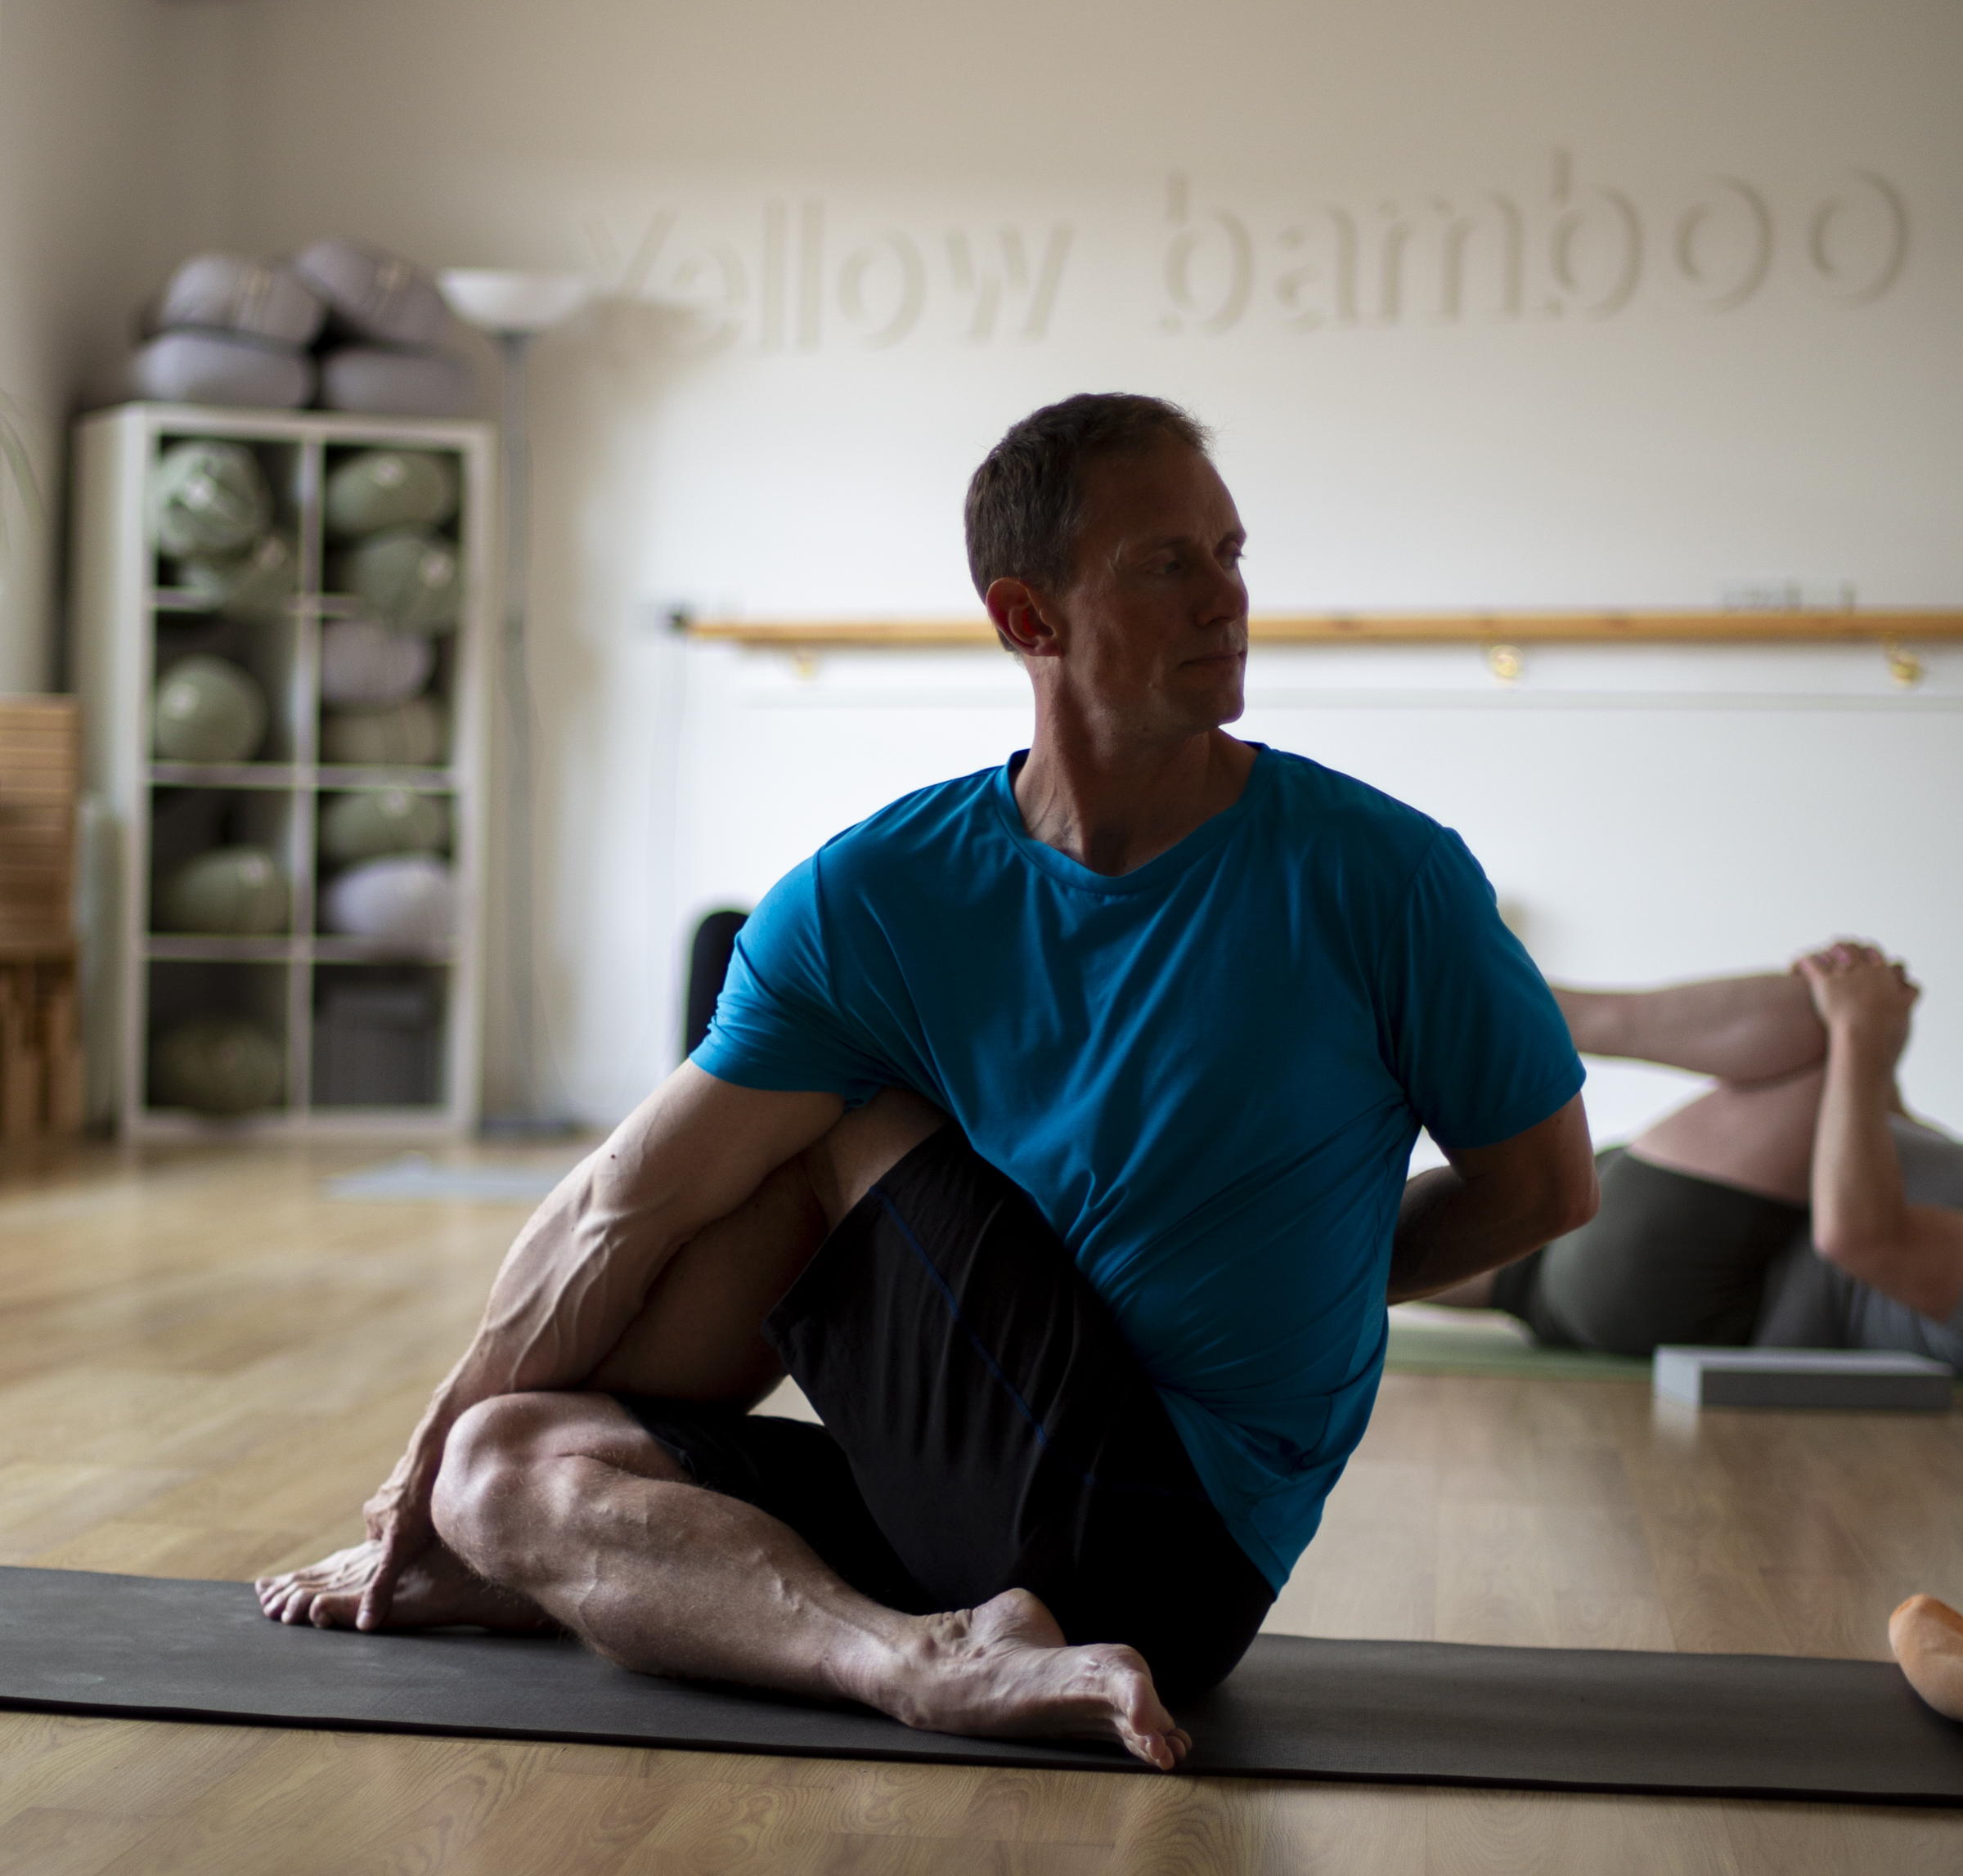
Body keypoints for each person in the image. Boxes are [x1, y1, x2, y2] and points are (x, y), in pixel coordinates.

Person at [258, 393, 1596, 1769]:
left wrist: (1285, 1279)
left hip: (1174, 1552)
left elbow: (1543, 1187)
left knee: (833, 1125)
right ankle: (904, 1655)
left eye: (1231, 553)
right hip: (965, 1497)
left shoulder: (1383, 878)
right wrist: (420, 1490)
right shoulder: (879, 892)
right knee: (509, 1466)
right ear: (1030, 620)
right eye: (1168, 563)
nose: (1226, 599)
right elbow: (623, 1206)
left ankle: (874, 1637)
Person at [1437, 940, 1963, 1361]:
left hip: (1692, 1272)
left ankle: (1478, 1005)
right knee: (1366, 1243)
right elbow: (1892, 1149)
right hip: (1577, 1261)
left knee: (1813, 1025)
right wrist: (1870, 1022)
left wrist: (1859, 1034)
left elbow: (1861, 1237)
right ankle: (1472, 1013)